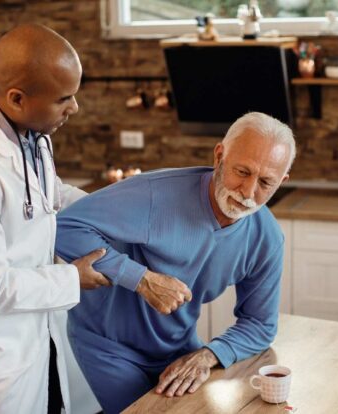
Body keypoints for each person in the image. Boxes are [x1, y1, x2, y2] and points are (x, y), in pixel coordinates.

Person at [56, 112, 296, 413]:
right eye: (242, 172)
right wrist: (140, 279)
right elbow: (64, 227)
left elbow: (260, 324)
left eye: (265, 182)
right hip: (108, 346)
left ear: (282, 181)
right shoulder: (156, 194)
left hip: (179, 347)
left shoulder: (267, 238)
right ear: (220, 154)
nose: (248, 192)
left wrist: (208, 354)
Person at [0, 24, 112, 414]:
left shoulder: (32, 133)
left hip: (39, 344)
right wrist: (72, 278)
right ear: (17, 98)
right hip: (1, 360)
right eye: (64, 99)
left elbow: (48, 194)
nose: (74, 108)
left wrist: (113, 211)